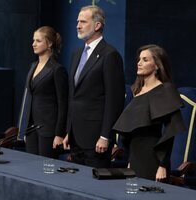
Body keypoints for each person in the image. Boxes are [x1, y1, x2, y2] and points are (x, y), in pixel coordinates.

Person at [63, 5, 125, 168]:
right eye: (77, 21)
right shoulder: (76, 53)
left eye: (83, 21)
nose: (78, 25)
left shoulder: (110, 55)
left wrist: (106, 135)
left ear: (97, 25)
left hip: (96, 137)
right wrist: (69, 130)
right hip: (76, 136)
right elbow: (73, 96)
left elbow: (114, 101)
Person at [113, 44, 185, 181]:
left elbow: (170, 132)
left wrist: (162, 165)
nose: (139, 63)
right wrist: (130, 159)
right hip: (135, 157)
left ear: (157, 65)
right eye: (139, 60)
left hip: (153, 159)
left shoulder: (165, 90)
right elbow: (130, 130)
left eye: (145, 60)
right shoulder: (136, 90)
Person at [18, 26, 68, 158]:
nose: (33, 44)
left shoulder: (57, 69)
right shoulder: (33, 66)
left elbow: (63, 104)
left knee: (45, 169)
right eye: (33, 40)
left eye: (38, 41)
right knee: (31, 169)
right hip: (31, 129)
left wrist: (59, 134)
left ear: (50, 43)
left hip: (48, 130)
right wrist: (24, 128)